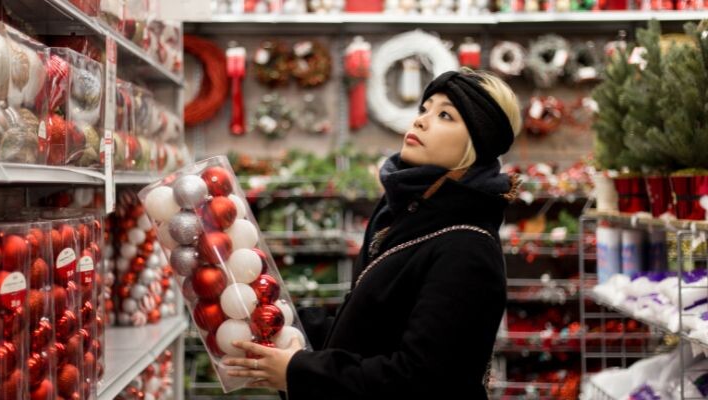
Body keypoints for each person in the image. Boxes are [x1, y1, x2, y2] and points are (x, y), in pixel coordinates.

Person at [223, 68, 522, 399]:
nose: (421, 120)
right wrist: (282, 322)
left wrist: (299, 372)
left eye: (446, 115)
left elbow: (421, 383)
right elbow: (367, 334)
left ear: (478, 143)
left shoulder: (467, 249)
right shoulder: (406, 216)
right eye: (425, 109)